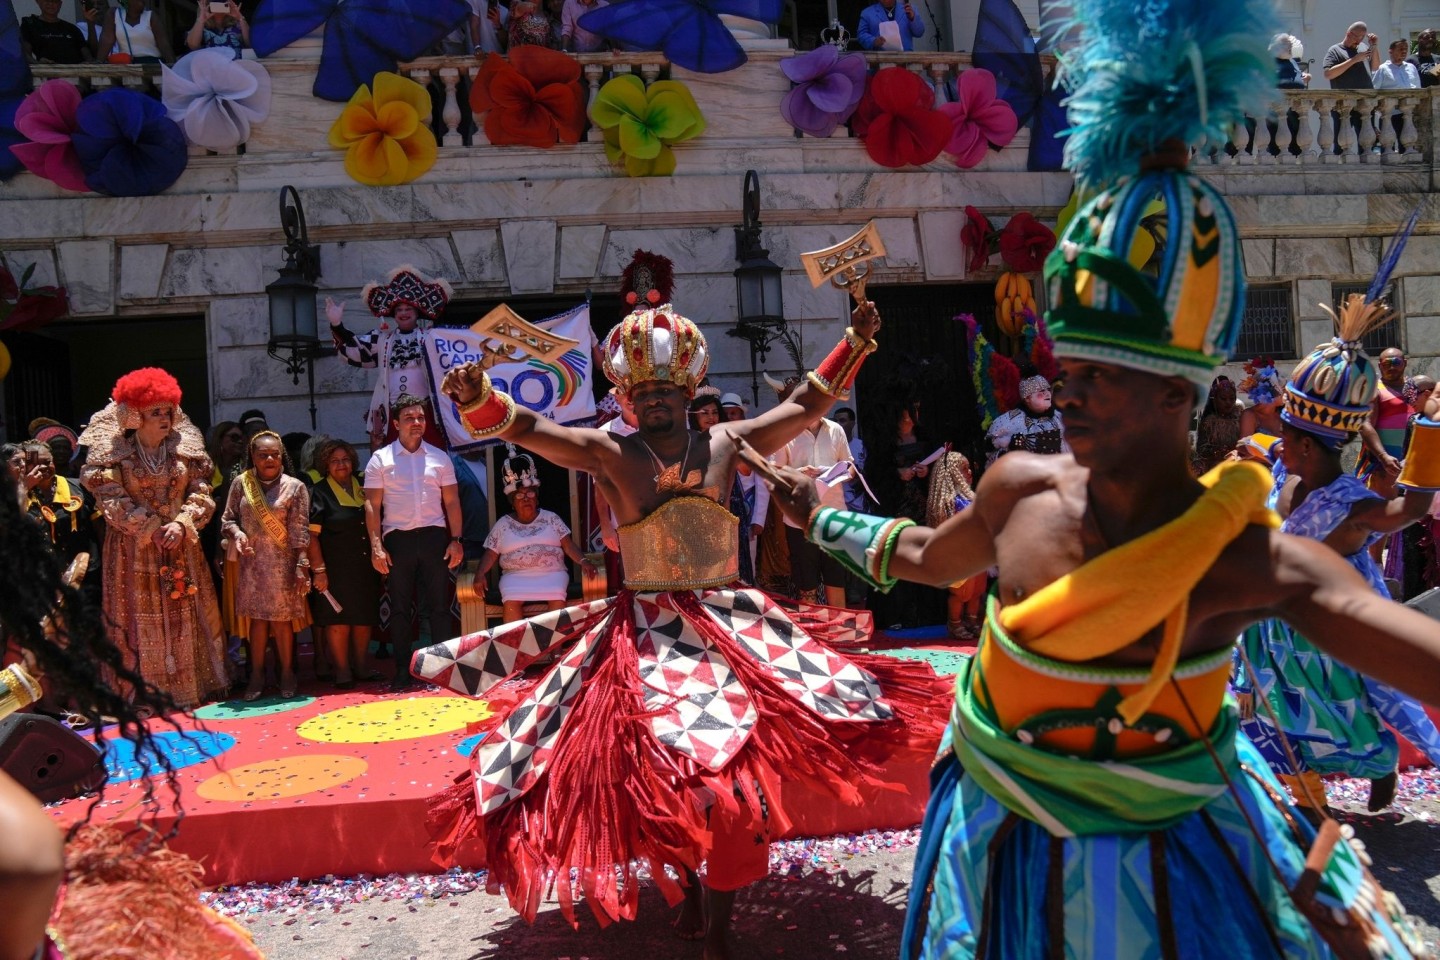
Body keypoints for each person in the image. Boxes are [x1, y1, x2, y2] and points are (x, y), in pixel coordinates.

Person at [759, 3, 1440, 952]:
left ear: (1179, 393)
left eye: (1102, 377)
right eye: (1068, 370)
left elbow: (1408, 651)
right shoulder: (1019, 485)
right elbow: (919, 553)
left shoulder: (1240, 559)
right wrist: (821, 516)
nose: (1070, 396)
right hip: (992, 857)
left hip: (1177, 880)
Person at [413, 290, 948, 960]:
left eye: (669, 387)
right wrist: (477, 399)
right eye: (646, 391)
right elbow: (529, 432)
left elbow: (807, 406)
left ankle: (718, 922)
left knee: (727, 785)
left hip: (731, 628)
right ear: (629, 400)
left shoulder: (728, 441)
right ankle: (690, 891)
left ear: (689, 387)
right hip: (643, 634)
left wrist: (857, 342)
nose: (658, 399)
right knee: (660, 781)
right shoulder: (610, 452)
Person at [1234, 317, 1440, 816]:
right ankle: (1302, 797)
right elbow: (1266, 453)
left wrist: (1430, 432)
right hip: (1272, 631)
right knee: (1267, 716)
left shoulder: (1351, 505)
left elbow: (1408, 511)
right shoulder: (1287, 470)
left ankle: (1377, 766)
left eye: (1286, 434)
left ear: (1308, 445)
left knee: (1337, 716)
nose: (1278, 440)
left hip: (1325, 640)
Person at [79, 368, 228, 711]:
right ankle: (143, 693)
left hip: (180, 542)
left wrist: (183, 522)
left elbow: (202, 491)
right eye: (156, 412)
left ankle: (187, 688)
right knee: (137, 616)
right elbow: (110, 498)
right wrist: (149, 527)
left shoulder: (184, 451)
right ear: (136, 416)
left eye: (168, 411)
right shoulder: (116, 453)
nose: (165, 418)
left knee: (183, 607)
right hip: (134, 548)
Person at [364, 394, 464, 692]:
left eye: (420, 418)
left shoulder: (439, 457)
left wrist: (456, 540)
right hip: (398, 541)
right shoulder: (380, 459)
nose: (417, 423)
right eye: (409, 418)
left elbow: (453, 501)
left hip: (434, 538)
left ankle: (443, 671)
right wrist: (376, 545)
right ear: (396, 424)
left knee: (439, 607)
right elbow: (371, 505)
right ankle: (402, 672)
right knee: (399, 609)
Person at [222, 432, 311, 701]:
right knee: (258, 621)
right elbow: (228, 520)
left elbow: (300, 530)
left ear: (281, 455)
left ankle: (286, 672)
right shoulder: (241, 483)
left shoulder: (295, 487)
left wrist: (301, 564)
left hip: (283, 563)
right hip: (251, 563)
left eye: (274, 454)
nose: (270, 459)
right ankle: (257, 674)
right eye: (263, 455)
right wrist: (237, 535)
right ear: (253, 457)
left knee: (283, 622)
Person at [327, 266, 454, 450]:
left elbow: (455, 356)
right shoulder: (382, 339)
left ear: (417, 312)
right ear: (393, 314)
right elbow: (356, 350)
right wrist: (337, 325)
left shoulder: (431, 338)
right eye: (399, 309)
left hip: (426, 413)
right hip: (392, 413)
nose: (403, 313)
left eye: (408, 308)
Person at [474, 448, 593, 623]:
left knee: (556, 596)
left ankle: (555, 649)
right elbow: (491, 553)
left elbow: (568, 545)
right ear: (513, 503)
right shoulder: (503, 524)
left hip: (552, 573)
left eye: (530, 493)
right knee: (512, 599)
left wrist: (583, 561)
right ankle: (516, 649)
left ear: (536, 498)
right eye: (520, 495)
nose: (526, 498)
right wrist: (479, 574)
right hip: (515, 577)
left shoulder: (551, 518)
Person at [306, 438, 381, 690]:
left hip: (364, 566)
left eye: (346, 459)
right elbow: (311, 537)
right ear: (325, 465)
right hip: (334, 568)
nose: (341, 465)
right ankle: (341, 670)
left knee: (363, 617)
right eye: (335, 461)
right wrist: (319, 571)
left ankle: (360, 666)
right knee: (338, 620)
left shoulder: (363, 485)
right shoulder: (318, 492)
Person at [773, 410, 852, 606]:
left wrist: (835, 473)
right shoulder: (786, 432)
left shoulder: (836, 429)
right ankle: (813, 631)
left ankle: (838, 631)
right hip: (799, 519)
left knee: (836, 578)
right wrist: (797, 474)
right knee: (806, 582)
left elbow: (850, 466)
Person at [20, 439, 100, 600]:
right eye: (34, 463)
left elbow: (99, 527)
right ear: (24, 466)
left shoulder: (79, 487)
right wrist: (24, 487)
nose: (42, 467)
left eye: (47, 462)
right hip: (44, 577)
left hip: (86, 572)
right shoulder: (20, 494)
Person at [1358, 346, 1411, 499]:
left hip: (1414, 465)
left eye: (1396, 362)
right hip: (1386, 467)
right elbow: (1365, 425)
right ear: (1380, 366)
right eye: (1386, 364)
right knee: (1388, 514)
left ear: (1405, 363)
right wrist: (1383, 457)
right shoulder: (1375, 390)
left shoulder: (1414, 388)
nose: (1392, 367)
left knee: (1418, 516)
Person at [984, 373, 1067, 464]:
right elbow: (991, 458)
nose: (1047, 394)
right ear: (1027, 398)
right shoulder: (1008, 421)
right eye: (1041, 391)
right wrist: (1010, 450)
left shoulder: (1061, 418)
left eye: (1048, 389)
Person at [1191, 374, 1241, 475]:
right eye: (1223, 398)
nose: (1228, 402)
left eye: (1232, 398)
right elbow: (1202, 451)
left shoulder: (1242, 418)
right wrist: (1218, 452)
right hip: (1215, 470)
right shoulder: (1209, 422)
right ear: (1214, 400)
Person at [96, 0, 172, 64]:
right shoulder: (114, 14)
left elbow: (164, 45)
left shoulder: (151, 16)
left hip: (152, 64)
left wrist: (173, 66)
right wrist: (99, 62)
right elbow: (107, 40)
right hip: (128, 65)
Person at [21, 0, 96, 64]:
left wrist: (90, 22)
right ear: (38, 1)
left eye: (55, 0)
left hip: (77, 75)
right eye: (46, 0)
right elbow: (24, 53)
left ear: (60, 4)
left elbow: (89, 55)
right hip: (47, 75)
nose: (50, 3)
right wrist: (38, 65)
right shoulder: (29, 25)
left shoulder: (71, 28)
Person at [1324, 20, 1380, 88]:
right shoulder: (1335, 50)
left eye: (1362, 37)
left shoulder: (1363, 47)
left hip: (1366, 97)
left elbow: (1375, 67)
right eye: (1357, 37)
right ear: (1349, 34)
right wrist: (1354, 59)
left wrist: (1374, 45)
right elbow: (1328, 74)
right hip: (1346, 97)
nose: (1359, 41)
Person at [856, 0, 924, 51]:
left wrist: (912, 18)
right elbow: (861, 35)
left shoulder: (909, 10)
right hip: (879, 62)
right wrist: (873, 41)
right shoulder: (867, 13)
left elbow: (919, 33)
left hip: (905, 62)